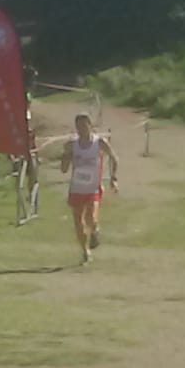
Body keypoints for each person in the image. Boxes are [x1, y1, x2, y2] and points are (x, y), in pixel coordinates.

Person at [61, 113, 118, 264]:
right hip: (76, 188)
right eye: (78, 126)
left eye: (84, 126)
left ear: (90, 126)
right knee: (78, 223)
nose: (81, 129)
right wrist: (66, 156)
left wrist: (113, 178)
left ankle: (95, 230)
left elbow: (114, 158)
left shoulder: (99, 142)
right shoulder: (72, 145)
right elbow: (63, 169)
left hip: (93, 188)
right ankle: (85, 251)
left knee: (91, 218)